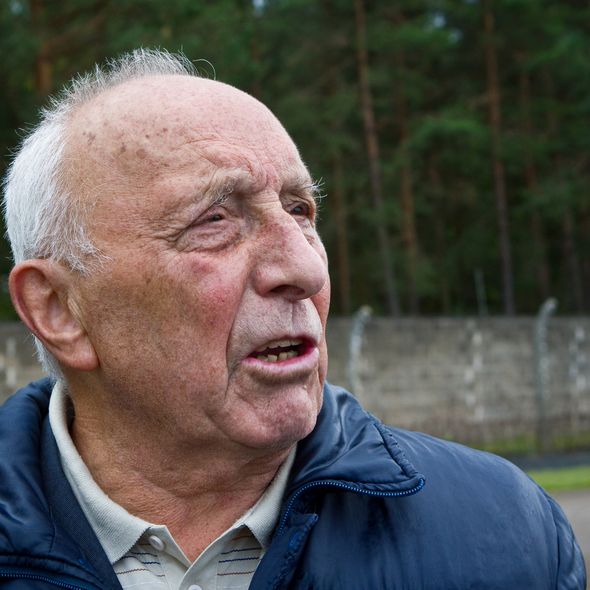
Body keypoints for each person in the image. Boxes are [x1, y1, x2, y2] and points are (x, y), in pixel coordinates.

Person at [0, 49, 585, 590]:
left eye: (300, 210)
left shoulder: (504, 533)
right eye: (214, 220)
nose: (305, 268)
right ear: (60, 310)